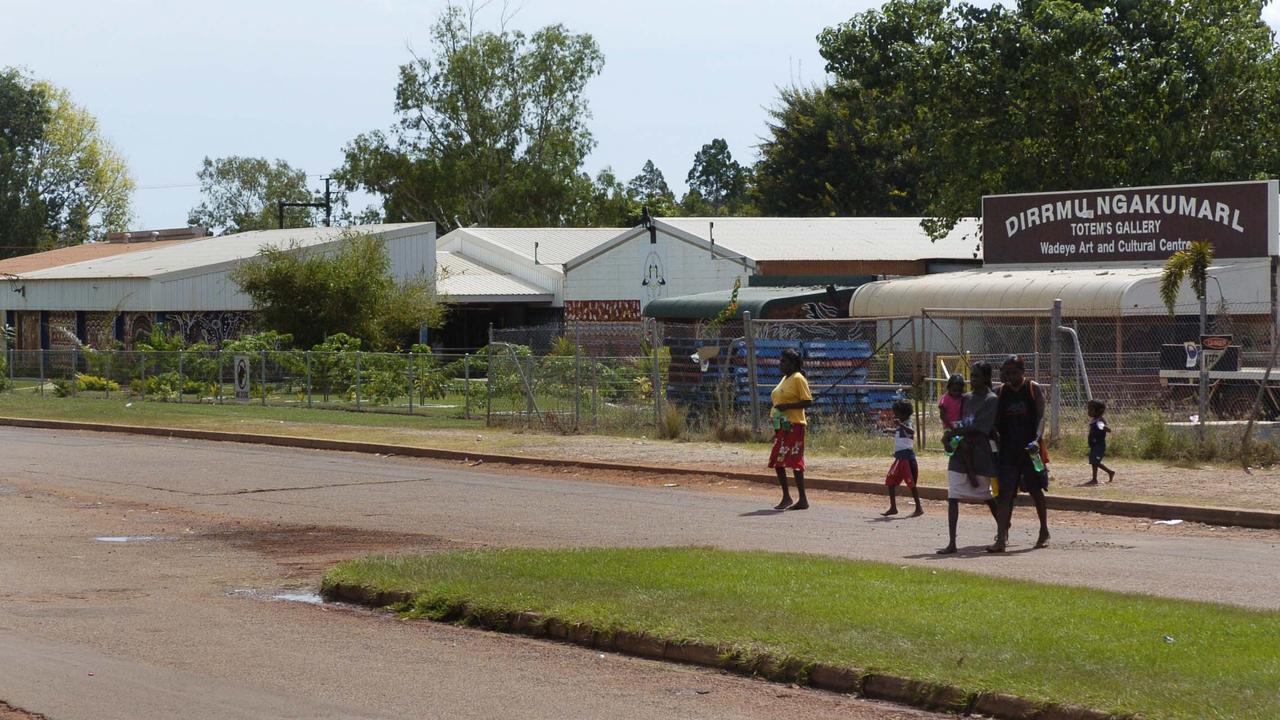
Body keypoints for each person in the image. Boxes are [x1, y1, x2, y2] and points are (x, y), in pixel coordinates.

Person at [937, 361, 1000, 555]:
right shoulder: (966, 398)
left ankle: (1003, 528)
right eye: (971, 376)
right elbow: (954, 417)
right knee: (953, 495)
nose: (972, 380)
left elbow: (979, 427)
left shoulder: (991, 400)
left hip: (979, 453)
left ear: (987, 379)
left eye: (976, 376)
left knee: (986, 495)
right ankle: (952, 542)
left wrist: (954, 431)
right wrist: (949, 434)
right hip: (960, 454)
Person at [992, 355, 1049, 552]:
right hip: (1008, 451)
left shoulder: (1033, 389)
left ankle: (1044, 530)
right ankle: (1001, 537)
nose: (1008, 376)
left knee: (1035, 491)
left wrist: (1037, 439)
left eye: (1013, 372)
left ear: (1022, 372)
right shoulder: (999, 393)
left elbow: (1041, 417)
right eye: (1005, 372)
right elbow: (995, 421)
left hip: (1030, 450)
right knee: (1005, 494)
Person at [768, 348, 813, 510]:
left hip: (795, 424)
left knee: (794, 460)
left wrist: (787, 406)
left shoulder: (798, 378)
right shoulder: (784, 379)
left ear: (793, 364)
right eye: (780, 361)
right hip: (782, 425)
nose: (780, 364)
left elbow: (807, 401)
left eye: (784, 361)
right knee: (778, 460)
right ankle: (786, 496)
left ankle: (802, 499)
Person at [882, 400, 923, 517]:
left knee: (912, 484)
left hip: (906, 458)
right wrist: (890, 430)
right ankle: (893, 508)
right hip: (899, 459)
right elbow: (899, 431)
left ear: (904, 413)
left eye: (897, 413)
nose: (895, 415)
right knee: (890, 481)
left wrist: (900, 424)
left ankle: (919, 508)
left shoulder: (908, 423)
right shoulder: (903, 424)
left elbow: (912, 432)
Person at [1085, 399, 1115, 485]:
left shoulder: (1099, 421)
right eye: (1088, 409)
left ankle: (1104, 475)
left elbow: (1102, 426)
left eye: (1091, 409)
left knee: (1095, 462)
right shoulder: (1095, 419)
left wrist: (1106, 428)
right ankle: (1101, 476)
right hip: (1095, 445)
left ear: (1098, 411)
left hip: (1099, 445)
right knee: (1093, 462)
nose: (1088, 411)